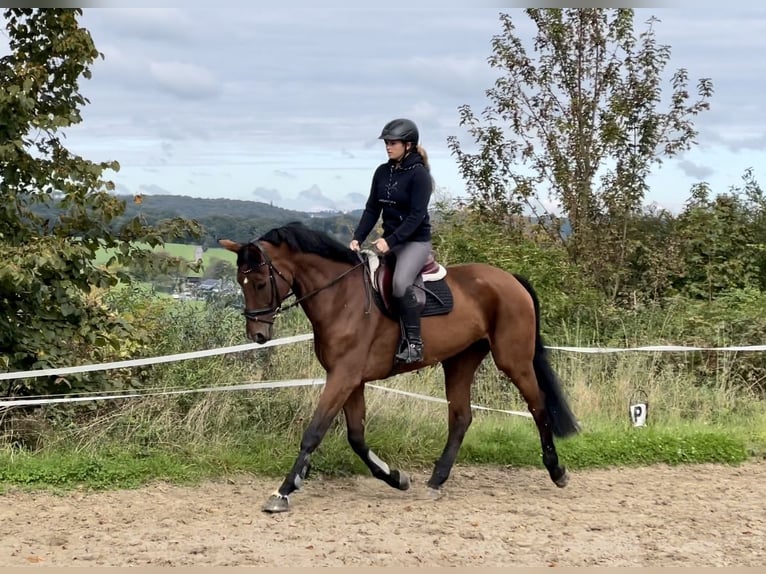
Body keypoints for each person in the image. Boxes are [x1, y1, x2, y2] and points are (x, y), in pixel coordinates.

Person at [349, 118, 434, 364]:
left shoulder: (419, 175)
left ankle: (415, 345)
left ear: (408, 145)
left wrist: (391, 240)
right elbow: (372, 209)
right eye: (386, 142)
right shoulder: (382, 172)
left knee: (399, 285)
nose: (388, 146)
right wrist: (357, 237)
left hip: (415, 243)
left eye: (393, 142)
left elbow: (417, 216)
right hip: (391, 242)